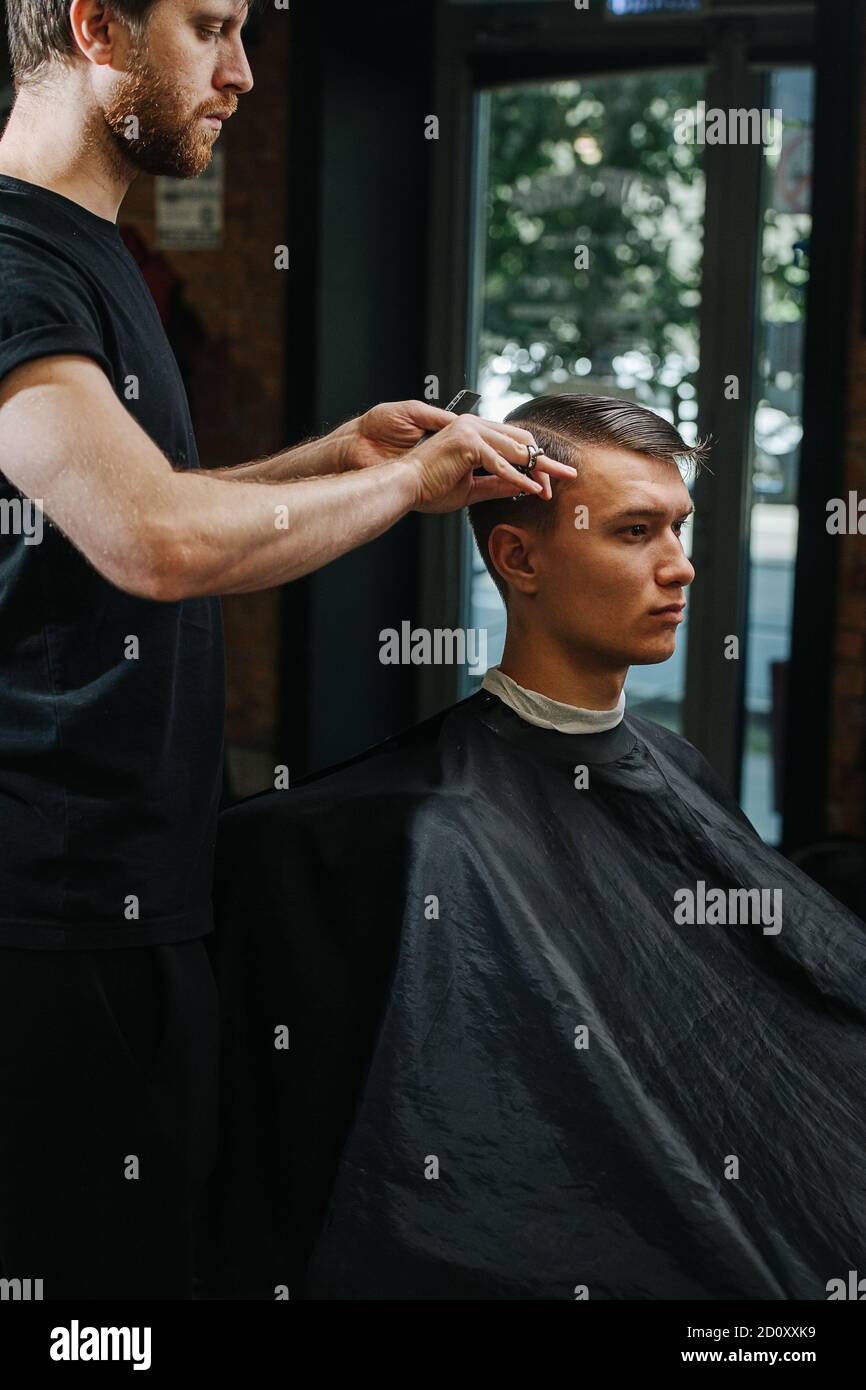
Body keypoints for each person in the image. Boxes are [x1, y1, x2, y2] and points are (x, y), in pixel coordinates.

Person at [0, 0, 575, 1301]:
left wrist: (331, 460)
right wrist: (413, 483)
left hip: (141, 882)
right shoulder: (13, 267)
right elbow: (150, 539)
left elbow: (113, 510)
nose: (245, 73)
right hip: (53, 911)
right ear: (96, 26)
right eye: (210, 28)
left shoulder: (87, 253)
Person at [205, 392, 866, 1301]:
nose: (681, 568)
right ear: (517, 558)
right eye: (635, 533)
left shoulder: (678, 773)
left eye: (679, 529)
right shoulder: (433, 831)